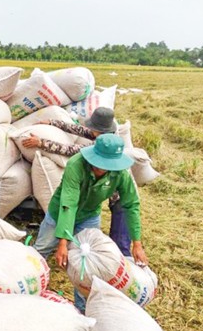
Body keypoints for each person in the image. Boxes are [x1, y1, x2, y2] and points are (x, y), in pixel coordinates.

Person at [32, 133, 149, 313]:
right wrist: (62, 241)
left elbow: (131, 205)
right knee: (42, 249)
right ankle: (29, 289)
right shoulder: (76, 165)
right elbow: (69, 203)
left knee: (87, 263)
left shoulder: (121, 174)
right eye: (99, 163)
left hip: (89, 216)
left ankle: (81, 307)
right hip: (60, 213)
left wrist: (137, 242)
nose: (101, 169)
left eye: (106, 165)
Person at [21, 107, 132, 256]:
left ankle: (121, 258)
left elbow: (70, 150)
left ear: (100, 129)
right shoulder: (103, 135)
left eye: (92, 127)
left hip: (118, 197)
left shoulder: (103, 146)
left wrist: (41, 143)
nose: (89, 129)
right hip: (100, 193)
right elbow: (80, 130)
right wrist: (53, 122)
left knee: (119, 240)